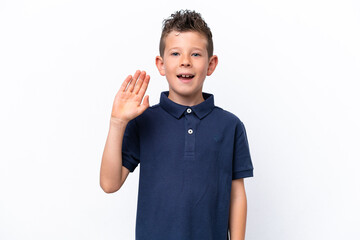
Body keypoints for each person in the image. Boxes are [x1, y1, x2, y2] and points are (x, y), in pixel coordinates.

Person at [100, 9, 254, 240]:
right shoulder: (143, 121)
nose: (185, 62)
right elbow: (109, 184)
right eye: (175, 53)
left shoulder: (230, 126)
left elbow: (236, 193)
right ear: (161, 64)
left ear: (211, 64)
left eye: (195, 54)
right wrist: (117, 123)